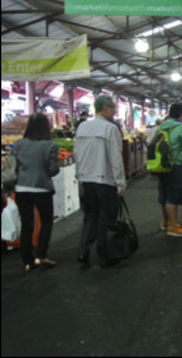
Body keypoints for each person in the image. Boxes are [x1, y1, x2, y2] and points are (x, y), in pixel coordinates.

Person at [74, 95, 126, 268]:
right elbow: (115, 158)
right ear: (105, 108)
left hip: (86, 179)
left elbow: (77, 154)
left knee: (90, 216)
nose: (114, 112)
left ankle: (83, 252)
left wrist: (79, 176)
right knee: (106, 218)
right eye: (113, 109)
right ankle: (104, 254)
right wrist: (120, 183)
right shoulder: (110, 129)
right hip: (105, 179)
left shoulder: (82, 127)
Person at [12, 113, 60, 271]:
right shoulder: (50, 146)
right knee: (46, 222)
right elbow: (53, 170)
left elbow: (12, 168)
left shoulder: (18, 144)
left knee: (26, 225)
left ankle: (27, 261)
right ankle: (41, 255)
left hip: (21, 189)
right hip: (41, 189)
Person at [157, 104, 182, 237]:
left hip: (161, 165)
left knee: (164, 193)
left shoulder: (161, 126)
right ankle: (173, 226)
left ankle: (165, 222)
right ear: (181, 114)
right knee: (173, 195)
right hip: (176, 164)